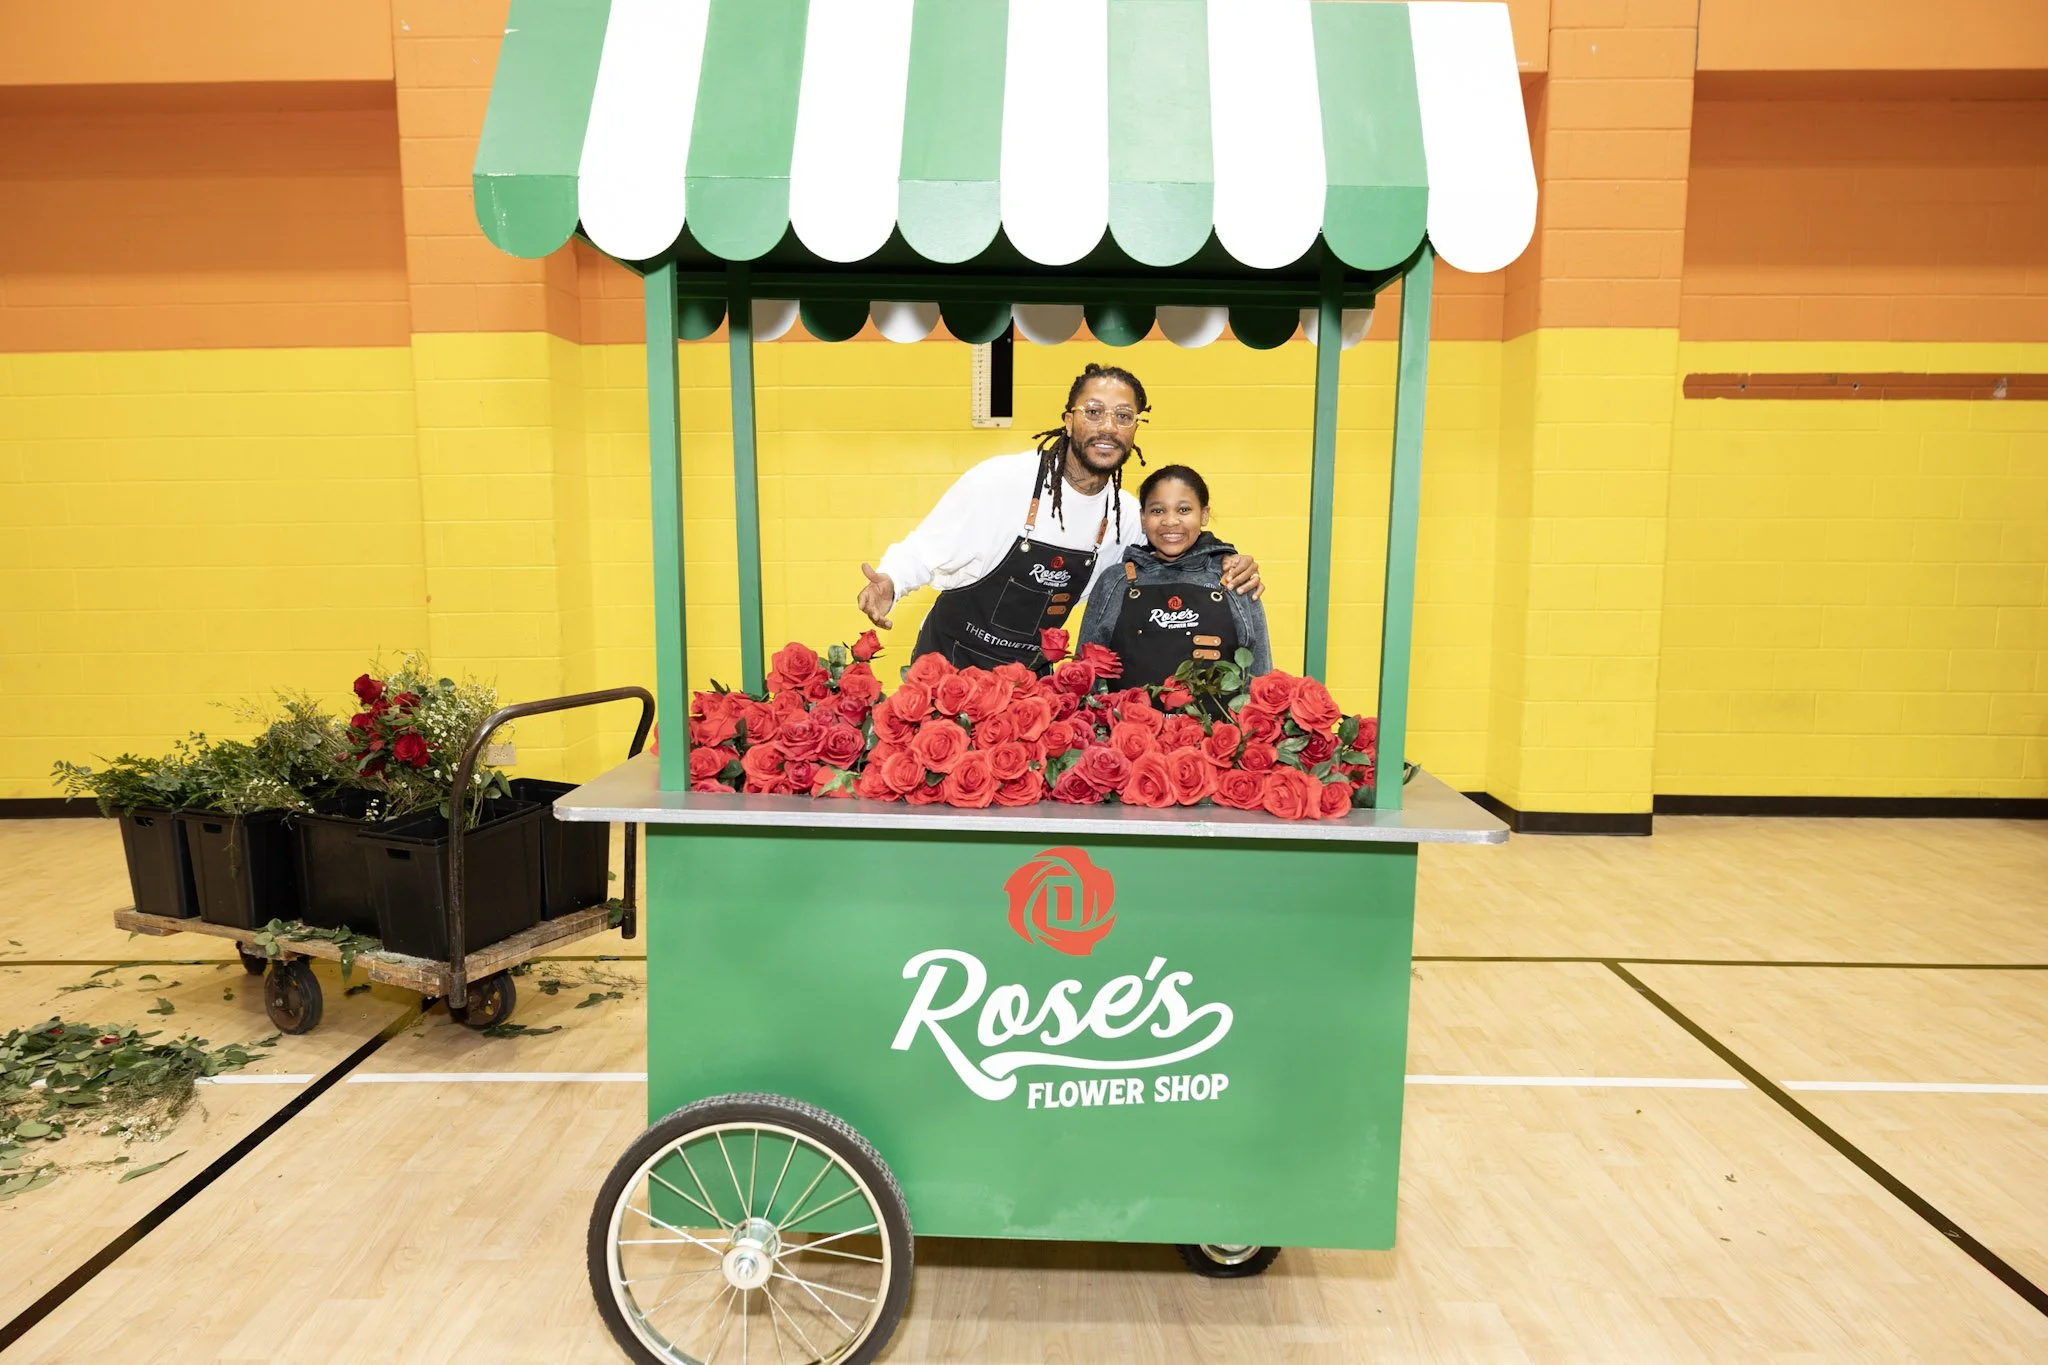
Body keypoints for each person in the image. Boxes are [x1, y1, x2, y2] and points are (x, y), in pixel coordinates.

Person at [856, 363, 1262, 671]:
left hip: (1031, 682)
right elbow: (925, 548)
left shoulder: (1126, 516)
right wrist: (890, 583)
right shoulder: (1000, 480)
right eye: (1094, 411)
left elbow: (1175, 550)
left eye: (1123, 416)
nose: (1108, 427)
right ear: (1068, 420)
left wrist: (1227, 561)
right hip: (949, 664)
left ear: (1135, 428)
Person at [1078, 465, 1272, 689]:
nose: (1170, 521)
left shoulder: (1236, 578)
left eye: (1183, 510)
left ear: (1204, 515)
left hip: (1215, 725)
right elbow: (1085, 675)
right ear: (1143, 518)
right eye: (1158, 511)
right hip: (1127, 724)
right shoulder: (1114, 581)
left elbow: (1260, 675)